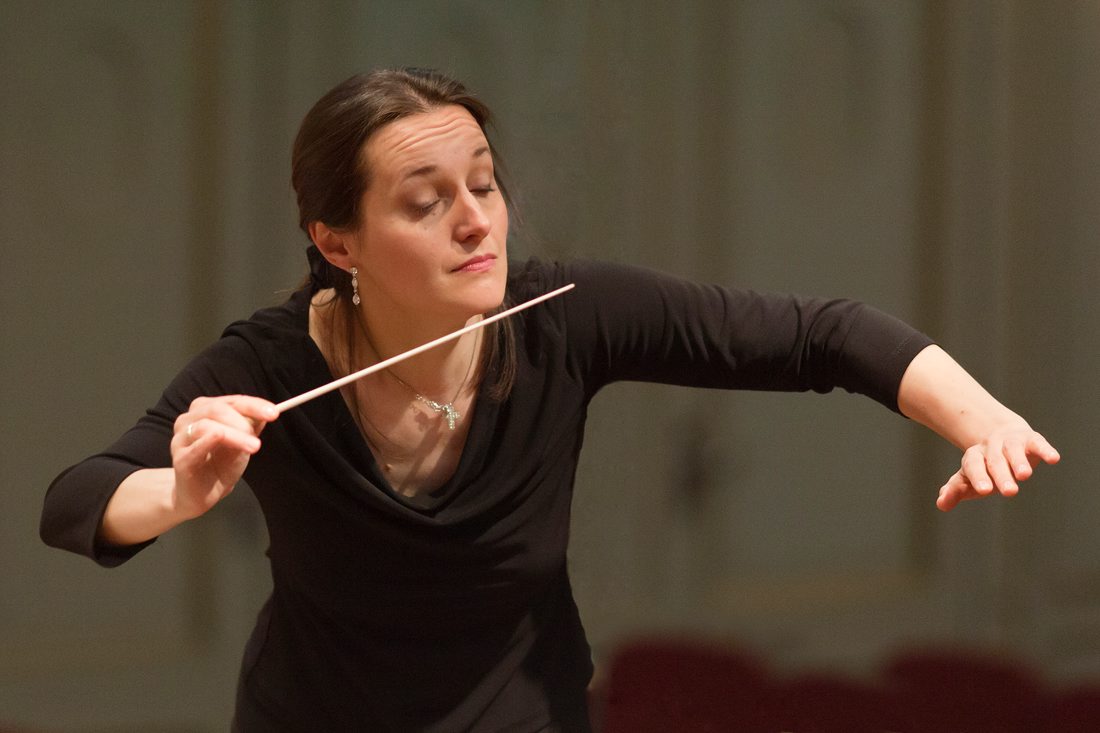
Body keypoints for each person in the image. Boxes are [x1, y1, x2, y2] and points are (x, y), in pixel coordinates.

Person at [40, 68, 1059, 732]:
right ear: (335, 242)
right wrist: (178, 491)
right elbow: (77, 499)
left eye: (482, 184)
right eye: (425, 201)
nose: (475, 221)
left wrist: (982, 421)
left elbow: (822, 333)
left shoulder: (564, 315)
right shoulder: (270, 361)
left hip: (524, 713)